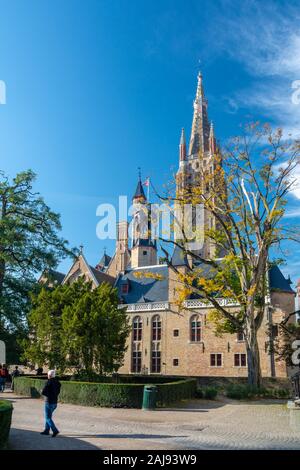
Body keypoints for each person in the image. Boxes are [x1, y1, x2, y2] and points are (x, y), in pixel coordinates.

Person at [40, 370, 61, 437]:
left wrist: (42, 391)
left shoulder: (48, 382)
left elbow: (43, 392)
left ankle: (55, 430)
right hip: (55, 402)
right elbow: (58, 392)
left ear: (49, 375)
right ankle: (46, 430)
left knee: (48, 418)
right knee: (49, 416)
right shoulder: (58, 382)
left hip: (49, 402)